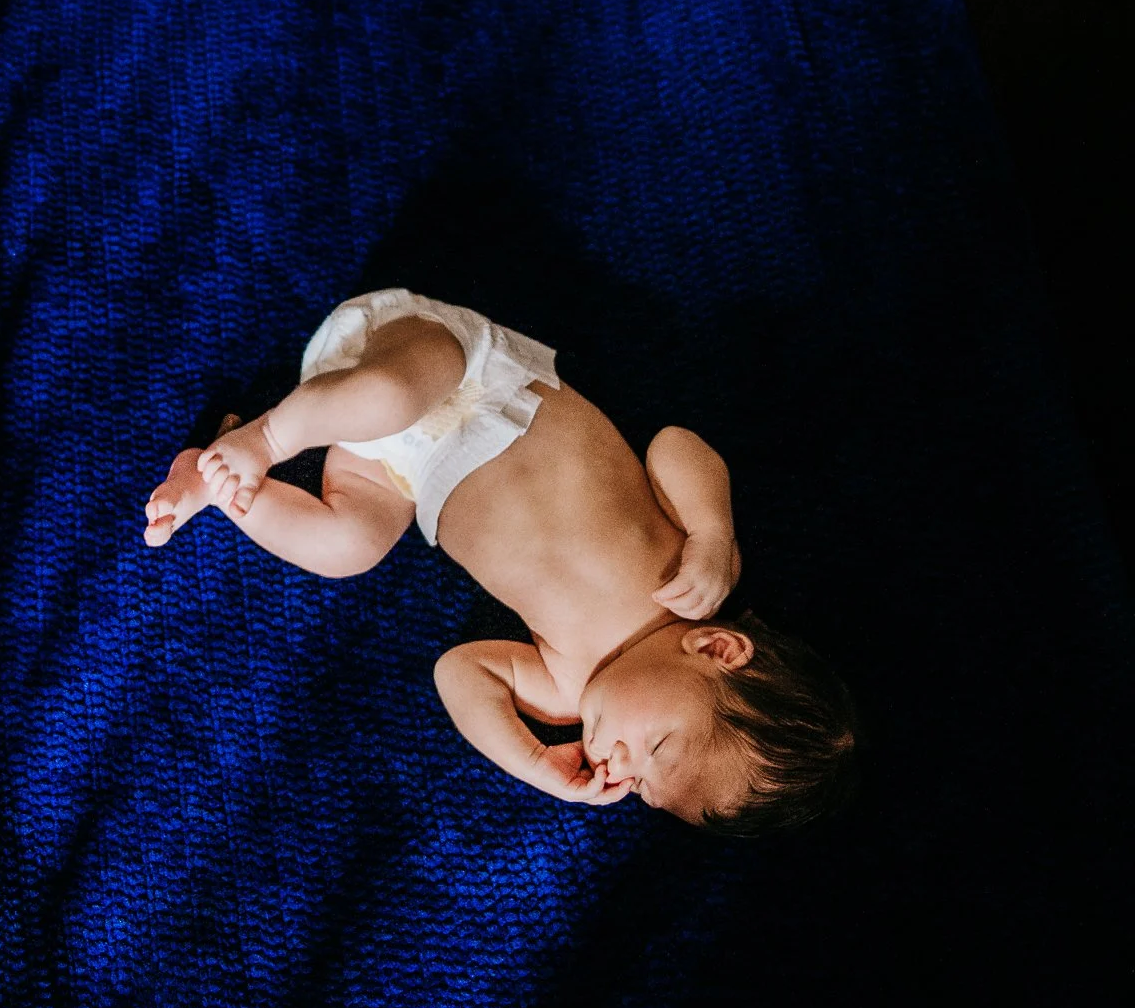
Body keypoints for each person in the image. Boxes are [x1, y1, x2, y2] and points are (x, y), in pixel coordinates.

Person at [144, 288, 855, 834]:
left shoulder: (568, 691)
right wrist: (713, 529)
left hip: (399, 473)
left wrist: (534, 761)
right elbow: (675, 443)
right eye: (657, 747)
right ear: (719, 647)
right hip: (461, 373)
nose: (620, 765)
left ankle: (220, 483)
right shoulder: (683, 577)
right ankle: (267, 439)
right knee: (389, 395)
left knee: (347, 547)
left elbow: (459, 671)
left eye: (639, 787)